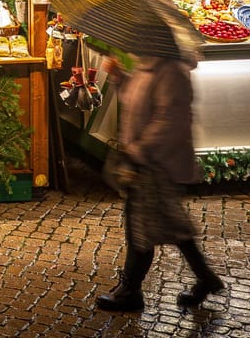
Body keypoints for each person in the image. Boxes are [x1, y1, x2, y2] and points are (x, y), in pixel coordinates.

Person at [95, 53, 223, 313]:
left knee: (141, 228)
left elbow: (169, 122)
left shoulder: (172, 72)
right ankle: (206, 278)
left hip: (158, 164)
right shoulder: (149, 65)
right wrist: (120, 78)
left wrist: (139, 150)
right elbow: (137, 101)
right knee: (170, 226)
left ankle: (130, 290)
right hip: (145, 161)